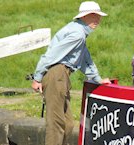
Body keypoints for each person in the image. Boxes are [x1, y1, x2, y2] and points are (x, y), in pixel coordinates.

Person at [31, 1, 111, 145]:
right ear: (84, 17)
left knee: (68, 124)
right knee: (56, 124)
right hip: (57, 73)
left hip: (63, 75)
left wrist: (97, 79)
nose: (97, 20)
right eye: (94, 15)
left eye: (98, 16)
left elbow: (85, 58)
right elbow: (52, 55)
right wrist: (37, 78)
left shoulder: (79, 32)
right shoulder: (77, 34)